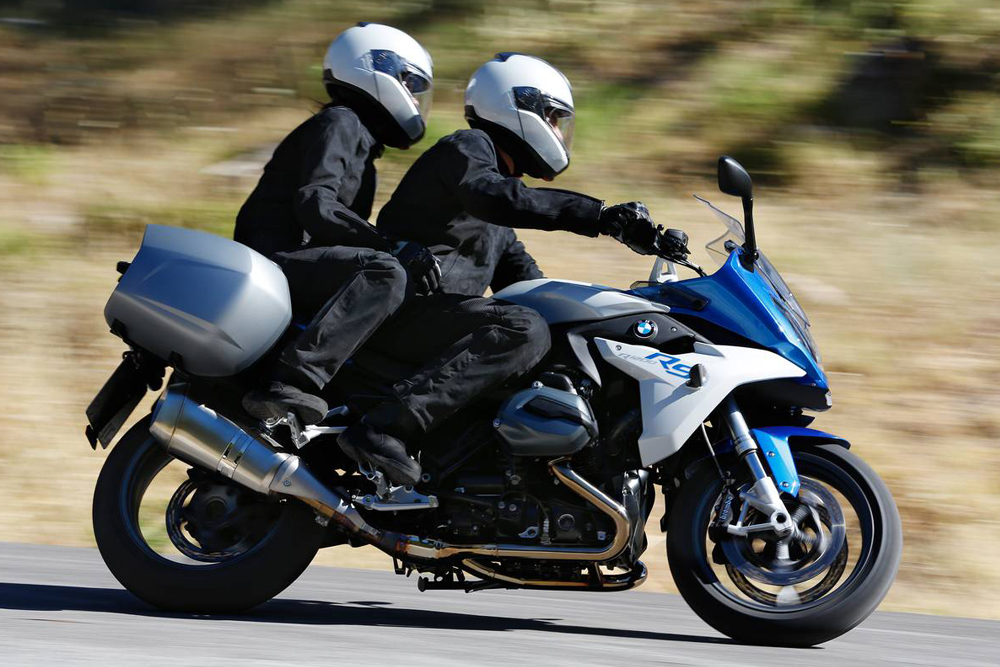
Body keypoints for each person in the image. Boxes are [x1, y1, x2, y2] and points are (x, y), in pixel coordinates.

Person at [235, 23, 438, 435]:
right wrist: (390, 247)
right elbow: (316, 204)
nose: (416, 99)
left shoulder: (363, 145)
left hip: (297, 259)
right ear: (375, 70)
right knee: (384, 272)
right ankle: (292, 382)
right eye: (410, 84)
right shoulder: (341, 122)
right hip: (278, 257)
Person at [377, 52, 675, 303]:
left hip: (437, 319)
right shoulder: (467, 148)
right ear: (518, 106)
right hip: (402, 306)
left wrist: (622, 308)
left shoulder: (497, 226)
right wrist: (600, 216)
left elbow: (530, 286)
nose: (559, 134)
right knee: (524, 328)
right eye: (553, 119)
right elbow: (497, 198)